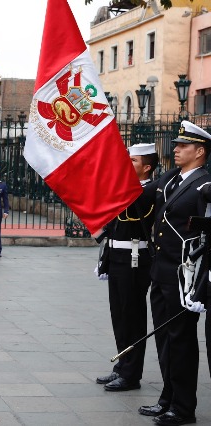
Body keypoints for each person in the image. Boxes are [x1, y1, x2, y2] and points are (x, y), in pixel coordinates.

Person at [138, 121, 211, 426]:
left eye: (183, 146)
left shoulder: (205, 184)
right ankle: (167, 396)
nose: (176, 149)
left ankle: (183, 406)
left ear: (200, 151)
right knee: (165, 340)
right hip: (161, 270)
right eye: (176, 145)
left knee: (180, 340)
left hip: (184, 274)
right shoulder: (174, 179)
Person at [95, 143, 158, 392]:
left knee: (132, 317)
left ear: (147, 167)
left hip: (135, 259)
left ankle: (132, 374)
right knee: (119, 315)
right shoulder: (125, 189)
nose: (127, 164)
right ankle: (122, 366)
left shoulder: (149, 191)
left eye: (133, 161)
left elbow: (133, 211)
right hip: (117, 257)